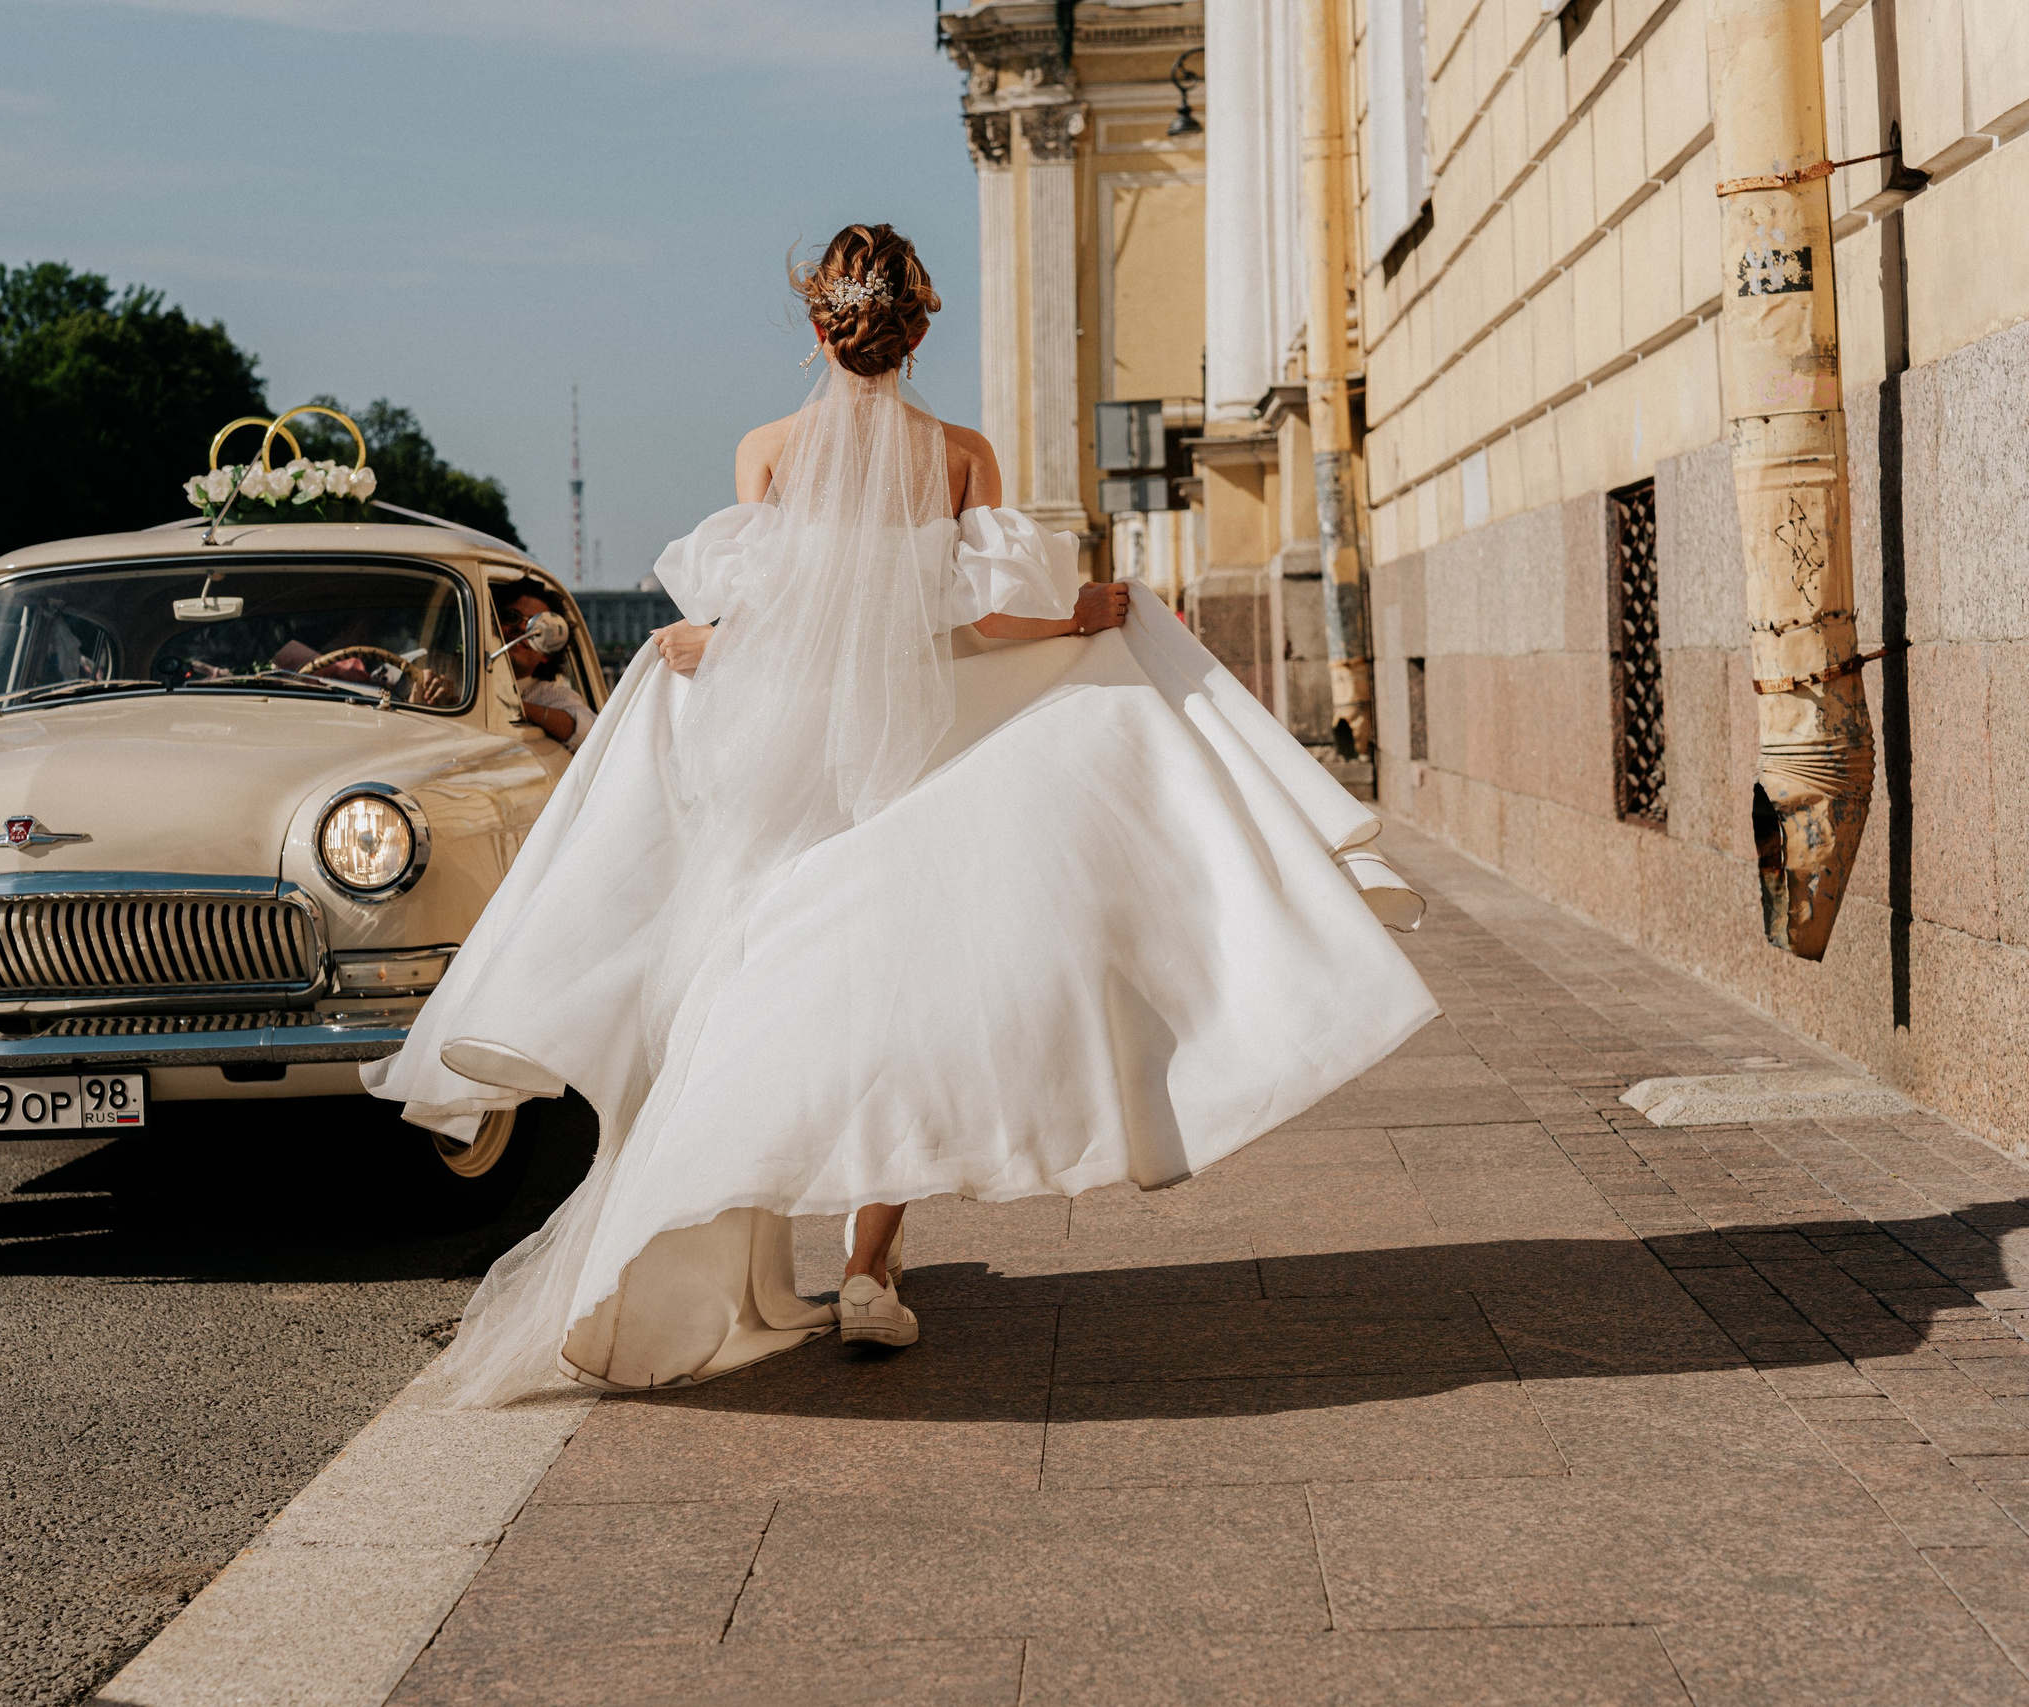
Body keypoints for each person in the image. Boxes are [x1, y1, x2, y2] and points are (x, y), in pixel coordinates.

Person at [365, 223, 1439, 1404]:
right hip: (914, 764)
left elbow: (783, 619)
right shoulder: (959, 456)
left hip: (785, 778)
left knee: (752, 1005)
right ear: (916, 330)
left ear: (817, 324)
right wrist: (1077, 619)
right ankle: (869, 1270)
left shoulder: (766, 454)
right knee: (892, 1009)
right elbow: (972, 623)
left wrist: (708, 644)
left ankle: (694, 1226)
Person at [497, 582, 596, 751]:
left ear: (546, 654)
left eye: (538, 629)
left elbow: (591, 733)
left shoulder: (549, 695)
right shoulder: (451, 669)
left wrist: (520, 708)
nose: (522, 628)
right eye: (511, 616)